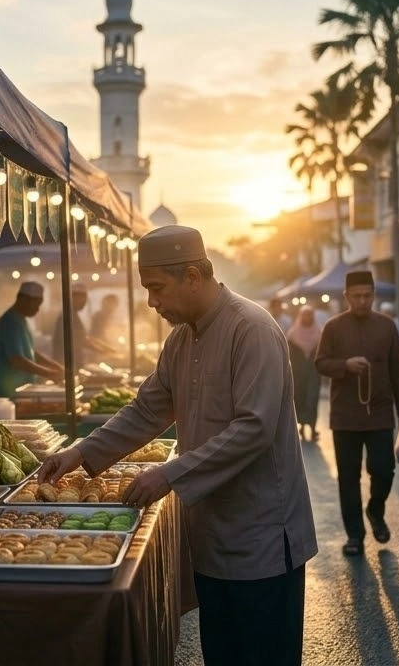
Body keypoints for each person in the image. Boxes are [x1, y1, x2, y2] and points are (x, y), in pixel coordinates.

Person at [37, 225, 316, 666]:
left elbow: (253, 429)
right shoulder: (182, 339)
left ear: (192, 276)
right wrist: (81, 454)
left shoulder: (252, 329)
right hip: (211, 537)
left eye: (156, 288)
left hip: (262, 540)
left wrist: (169, 474)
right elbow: (146, 411)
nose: (151, 301)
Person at [315, 270, 399, 554]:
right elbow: (320, 363)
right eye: (356, 296)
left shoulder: (387, 326)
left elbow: (398, 369)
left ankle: (376, 510)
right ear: (346, 297)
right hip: (345, 415)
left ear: (374, 295)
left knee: (384, 468)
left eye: (367, 296)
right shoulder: (333, 327)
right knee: (348, 476)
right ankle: (354, 536)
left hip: (380, 412)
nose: (362, 301)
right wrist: (344, 365)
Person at [0, 281, 64, 398]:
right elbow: (17, 360)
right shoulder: (10, 322)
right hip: (6, 393)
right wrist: (49, 373)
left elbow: (31, 353)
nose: (38, 309)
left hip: (20, 391)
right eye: (37, 304)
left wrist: (55, 366)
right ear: (23, 299)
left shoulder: (21, 320)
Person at [52, 283, 113, 371]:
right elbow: (82, 340)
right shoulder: (67, 316)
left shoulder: (74, 315)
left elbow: (85, 337)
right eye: (82, 300)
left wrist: (107, 348)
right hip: (65, 366)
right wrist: (104, 351)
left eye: (85, 300)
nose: (84, 303)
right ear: (73, 298)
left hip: (74, 365)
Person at [286, 305, 323, 443]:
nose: (307, 317)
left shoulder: (319, 333)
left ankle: (312, 428)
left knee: (312, 399)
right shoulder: (293, 334)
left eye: (310, 314)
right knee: (299, 398)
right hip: (297, 373)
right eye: (305, 314)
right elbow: (288, 354)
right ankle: (301, 426)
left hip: (314, 372)